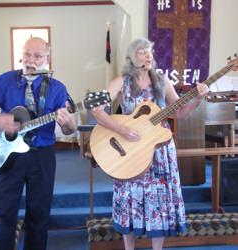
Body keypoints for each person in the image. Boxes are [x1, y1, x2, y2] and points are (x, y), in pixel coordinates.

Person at [90, 38, 209, 250]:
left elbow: (180, 114)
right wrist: (122, 129)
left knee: (160, 201)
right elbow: (95, 109)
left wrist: (197, 100)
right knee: (129, 197)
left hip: (160, 150)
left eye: (149, 51)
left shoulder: (162, 80)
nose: (148, 55)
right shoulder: (121, 81)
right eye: (141, 51)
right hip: (129, 148)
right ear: (129, 59)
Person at [0, 37, 77, 250]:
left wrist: (70, 125)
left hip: (42, 156)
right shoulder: (6, 80)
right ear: (21, 54)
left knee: (39, 215)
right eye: (27, 54)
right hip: (7, 156)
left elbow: (69, 129)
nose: (31, 60)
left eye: (37, 56)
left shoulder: (56, 88)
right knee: (3, 214)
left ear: (47, 59)